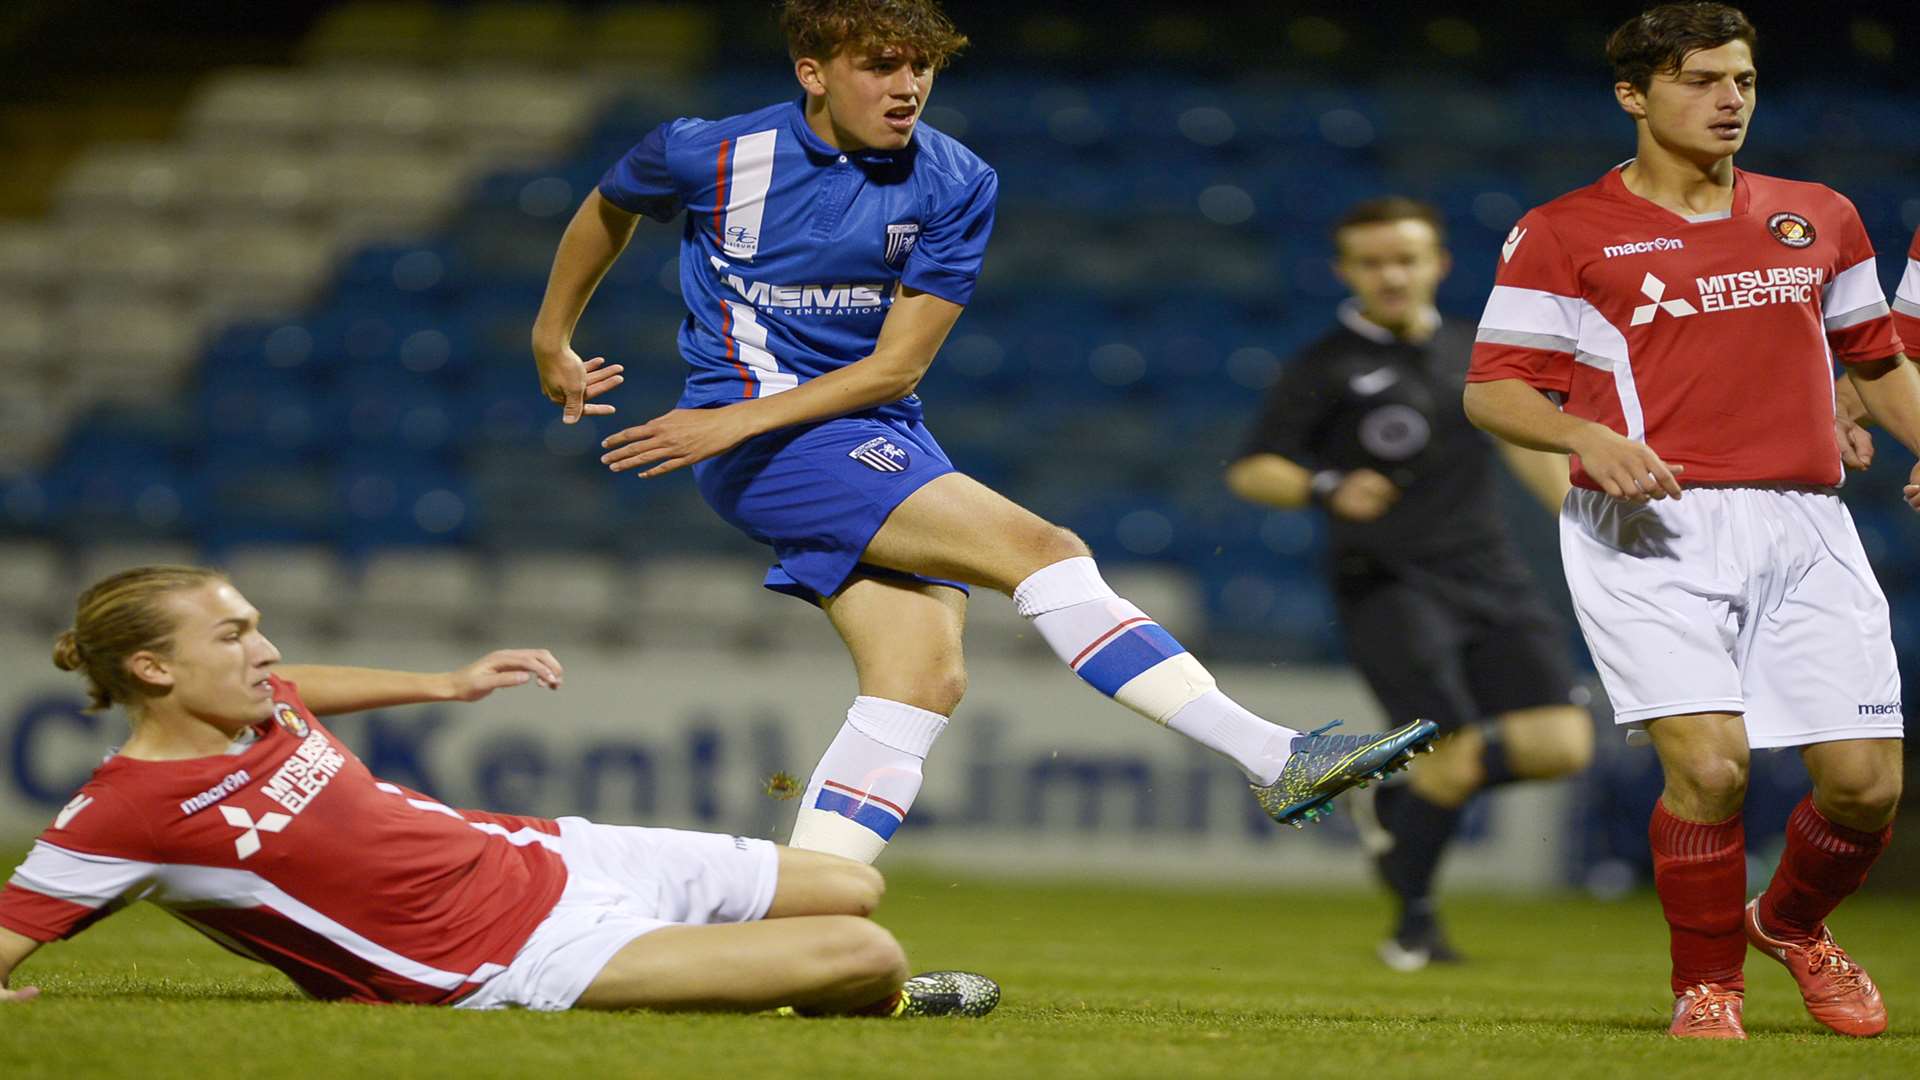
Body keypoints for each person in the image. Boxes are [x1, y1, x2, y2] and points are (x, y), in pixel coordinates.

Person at [528, 0, 1436, 864]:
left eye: (920, 66)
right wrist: (552, 335)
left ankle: (799, 910)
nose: (907, 85)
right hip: (772, 445)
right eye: (879, 65)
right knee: (1042, 550)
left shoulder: (956, 179)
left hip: (863, 422)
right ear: (813, 72)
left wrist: (731, 420)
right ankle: (1275, 756)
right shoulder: (710, 152)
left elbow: (896, 369)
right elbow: (608, 206)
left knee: (921, 680)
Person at [1462, 3, 1920, 1039]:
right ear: (1633, 93)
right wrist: (1583, 434)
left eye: (1745, 82)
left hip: (1806, 523)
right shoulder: (1565, 231)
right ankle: (1707, 987)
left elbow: (1878, 363)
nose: (1729, 101)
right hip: (1653, 526)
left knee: (1863, 790)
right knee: (1712, 768)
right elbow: (1492, 393)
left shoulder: (1820, 214)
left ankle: (1793, 923)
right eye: (1702, 80)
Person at [0, 565, 997, 1017]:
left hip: (542, 854)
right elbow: (17, 921)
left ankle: (769, 976)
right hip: (513, 958)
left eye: (254, 625)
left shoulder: (260, 704)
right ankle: (848, 1004)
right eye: (232, 636)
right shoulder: (124, 812)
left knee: (849, 886)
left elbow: (309, 685)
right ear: (154, 672)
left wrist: (446, 682)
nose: (263, 651)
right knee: (868, 953)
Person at [1225, 197, 1594, 971]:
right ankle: (1414, 927)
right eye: (1372, 262)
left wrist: (1585, 521)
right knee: (1452, 747)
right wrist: (1327, 488)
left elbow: (1529, 447)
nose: (1391, 275)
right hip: (1388, 581)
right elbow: (1253, 470)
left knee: (1562, 747)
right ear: (1346, 272)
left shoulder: (1476, 352)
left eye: (1406, 258)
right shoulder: (1322, 365)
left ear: (1438, 263)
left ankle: (1398, 796)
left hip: (1490, 574)